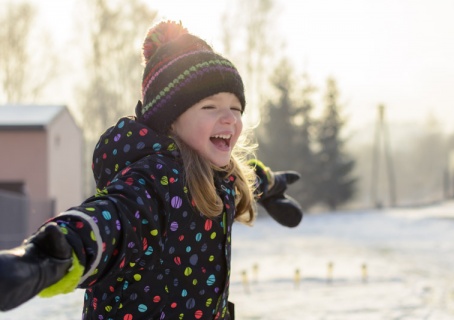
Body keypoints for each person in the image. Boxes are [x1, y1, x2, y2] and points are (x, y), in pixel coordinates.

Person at [0, 21, 302, 319]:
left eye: (236, 109)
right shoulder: (157, 181)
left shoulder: (218, 172)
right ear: (171, 120)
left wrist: (271, 185)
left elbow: (243, 175)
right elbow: (113, 218)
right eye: (210, 107)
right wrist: (48, 256)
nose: (229, 119)